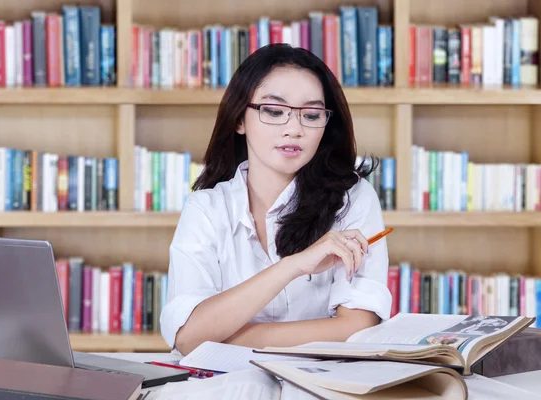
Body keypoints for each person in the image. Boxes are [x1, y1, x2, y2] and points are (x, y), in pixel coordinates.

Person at [160, 44, 392, 356]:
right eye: (273, 111)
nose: (294, 129)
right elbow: (187, 336)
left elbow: (358, 329)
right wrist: (293, 266)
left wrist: (219, 338)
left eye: (311, 115)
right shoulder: (206, 208)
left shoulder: (352, 198)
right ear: (239, 120)